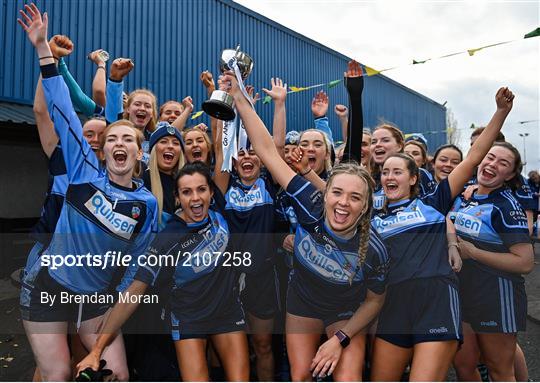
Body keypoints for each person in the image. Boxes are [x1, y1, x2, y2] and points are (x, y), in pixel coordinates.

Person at [221, 63, 389, 381]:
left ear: (367, 206)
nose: (343, 203)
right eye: (336, 192)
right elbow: (269, 153)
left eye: (355, 198)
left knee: (349, 378)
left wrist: (340, 340)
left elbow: (375, 301)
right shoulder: (310, 203)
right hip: (302, 304)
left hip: (346, 311)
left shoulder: (375, 248)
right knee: (301, 377)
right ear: (324, 194)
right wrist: (239, 98)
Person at [18, 5, 159, 380]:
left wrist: (98, 347)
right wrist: (43, 51)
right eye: (111, 137)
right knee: (59, 372)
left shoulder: (146, 205)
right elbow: (58, 106)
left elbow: (135, 276)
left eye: (127, 138)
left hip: (96, 298)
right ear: (100, 148)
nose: (118, 142)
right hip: (48, 285)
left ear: (139, 152)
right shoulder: (81, 171)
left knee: (117, 374)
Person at [370, 86, 516, 381]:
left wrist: (500, 112)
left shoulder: (433, 202)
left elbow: (473, 157)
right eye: (385, 172)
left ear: (413, 178)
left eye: (397, 171)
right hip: (393, 305)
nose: (389, 176)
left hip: (436, 302)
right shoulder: (373, 218)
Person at [77, 162, 251, 381]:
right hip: (189, 318)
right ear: (178, 198)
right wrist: (96, 350)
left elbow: (222, 144)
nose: (195, 198)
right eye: (186, 192)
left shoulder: (217, 210)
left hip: (227, 311)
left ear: (211, 192)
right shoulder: (167, 239)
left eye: (201, 189)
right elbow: (134, 292)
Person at [451, 141, 535, 381]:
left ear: (509, 174)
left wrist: (474, 252)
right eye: (490, 157)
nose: (492, 164)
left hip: (497, 297)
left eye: (503, 163)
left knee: (499, 370)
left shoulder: (506, 207)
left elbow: (525, 262)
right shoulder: (466, 194)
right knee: (464, 366)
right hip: (463, 295)